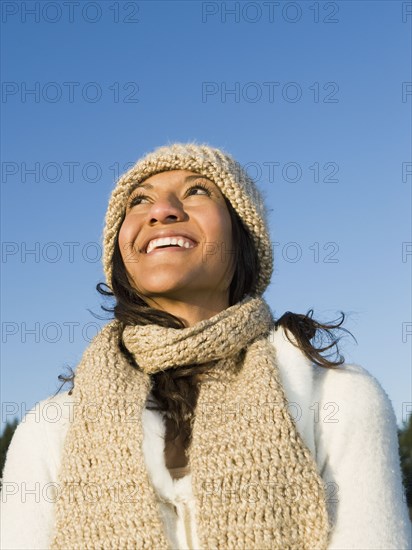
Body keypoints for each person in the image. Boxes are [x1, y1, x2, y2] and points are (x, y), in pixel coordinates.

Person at [0, 143, 410, 550]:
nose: (161, 211)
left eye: (198, 191)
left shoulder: (336, 399)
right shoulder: (52, 429)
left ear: (244, 236)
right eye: (139, 201)